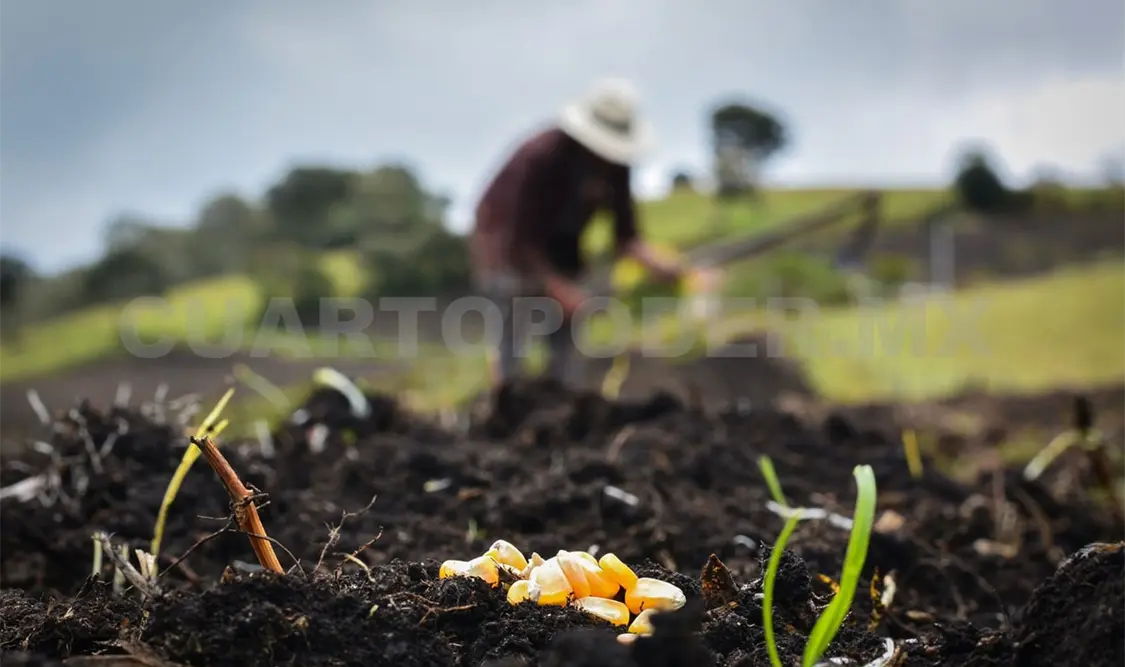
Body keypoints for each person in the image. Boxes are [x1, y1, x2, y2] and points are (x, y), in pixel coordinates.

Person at [470, 78, 702, 389]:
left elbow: (625, 234)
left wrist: (656, 263)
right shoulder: (542, 158)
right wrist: (556, 288)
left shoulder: (616, 166)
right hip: (508, 247)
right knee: (514, 324)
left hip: (562, 249)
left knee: (567, 336)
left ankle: (563, 399)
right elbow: (519, 240)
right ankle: (505, 399)